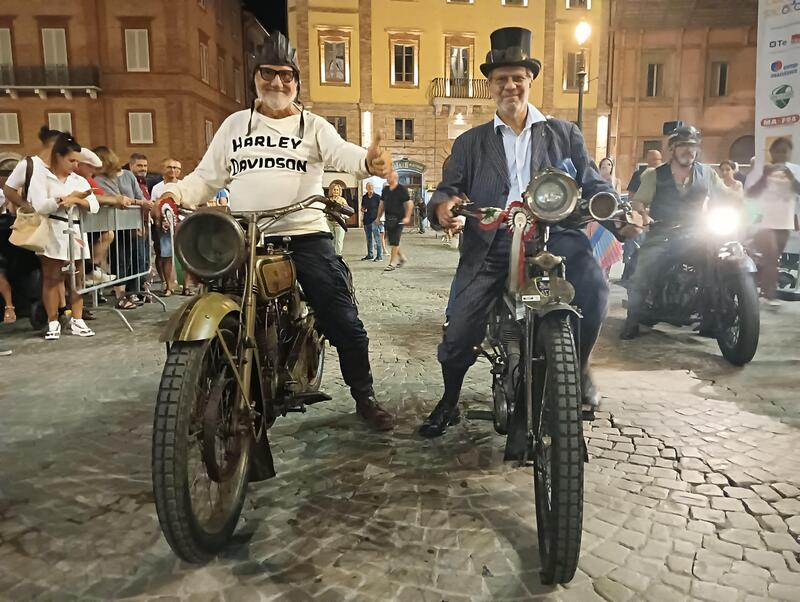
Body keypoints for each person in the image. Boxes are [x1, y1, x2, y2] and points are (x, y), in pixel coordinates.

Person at [155, 31, 395, 431]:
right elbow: (206, 177)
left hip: (304, 232)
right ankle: (202, 380)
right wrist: (174, 193)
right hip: (245, 236)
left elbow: (343, 153)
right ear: (255, 77)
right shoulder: (235, 125)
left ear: (296, 82)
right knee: (213, 296)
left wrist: (371, 162)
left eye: (286, 75)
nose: (277, 82)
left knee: (343, 319)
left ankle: (364, 395)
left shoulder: (313, 126)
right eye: (268, 73)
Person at [420, 27, 643, 437]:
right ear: (491, 86)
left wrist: (620, 217)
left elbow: (594, 183)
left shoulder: (564, 133)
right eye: (501, 79)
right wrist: (443, 206)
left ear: (530, 81)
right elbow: (449, 188)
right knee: (461, 326)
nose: (510, 86)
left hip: (557, 234)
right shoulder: (470, 142)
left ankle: (577, 367)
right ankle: (450, 398)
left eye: (518, 77)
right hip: (491, 239)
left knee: (595, 288)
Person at [621, 126, 732, 339]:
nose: (688, 150)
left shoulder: (707, 173)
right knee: (644, 269)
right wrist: (643, 214)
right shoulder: (655, 174)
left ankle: (711, 316)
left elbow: (727, 195)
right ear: (673, 148)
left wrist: (752, 205)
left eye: (693, 146)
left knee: (718, 262)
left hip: (699, 232)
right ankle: (632, 319)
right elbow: (639, 201)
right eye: (683, 146)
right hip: (664, 231)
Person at [27, 133, 99, 340]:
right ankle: (53, 321)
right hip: (52, 229)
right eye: (71, 160)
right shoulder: (41, 178)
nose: (75, 165)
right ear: (58, 156)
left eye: (77, 161)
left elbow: (94, 205)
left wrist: (77, 200)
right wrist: (61, 200)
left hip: (75, 230)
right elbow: (39, 205)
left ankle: (78, 319)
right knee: (52, 278)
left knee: (77, 278)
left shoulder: (79, 180)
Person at [94, 146, 151, 308]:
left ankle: (134, 292)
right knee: (121, 259)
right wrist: (138, 202)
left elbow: (137, 196)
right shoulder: (99, 179)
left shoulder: (128, 175)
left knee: (139, 259)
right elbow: (116, 199)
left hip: (134, 223)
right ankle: (121, 295)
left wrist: (139, 217)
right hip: (115, 225)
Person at [747, 138, 800, 308]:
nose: (781, 154)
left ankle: (762, 290)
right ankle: (768, 295)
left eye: (785, 151)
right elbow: (750, 193)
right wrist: (764, 177)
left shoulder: (795, 170)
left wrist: (791, 178)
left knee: (773, 259)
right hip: (764, 221)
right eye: (777, 151)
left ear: (790, 153)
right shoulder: (763, 170)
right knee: (771, 256)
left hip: (784, 221)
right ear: (771, 153)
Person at [377, 171, 413, 272]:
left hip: (399, 219)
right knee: (392, 241)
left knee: (395, 241)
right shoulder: (385, 190)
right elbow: (382, 204)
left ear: (395, 178)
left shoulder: (402, 189)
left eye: (389, 177)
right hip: (389, 219)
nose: (387, 178)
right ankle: (402, 258)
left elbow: (409, 204)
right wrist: (378, 217)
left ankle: (392, 263)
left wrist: (407, 217)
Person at [360, 181, 382, 261]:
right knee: (368, 239)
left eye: (371, 186)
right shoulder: (364, 197)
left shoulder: (377, 197)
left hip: (375, 220)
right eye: (368, 186)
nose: (370, 187)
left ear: (373, 187)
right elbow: (363, 207)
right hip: (366, 220)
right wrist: (362, 209)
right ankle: (370, 255)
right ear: (366, 188)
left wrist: (378, 218)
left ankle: (379, 256)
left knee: (377, 238)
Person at [326, 182, 348, 256]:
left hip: (339, 223)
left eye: (337, 190)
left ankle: (338, 256)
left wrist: (341, 215)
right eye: (334, 190)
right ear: (331, 190)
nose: (336, 191)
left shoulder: (342, 200)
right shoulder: (328, 200)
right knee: (331, 240)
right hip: (329, 222)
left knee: (338, 241)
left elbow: (347, 212)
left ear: (339, 191)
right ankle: (332, 255)